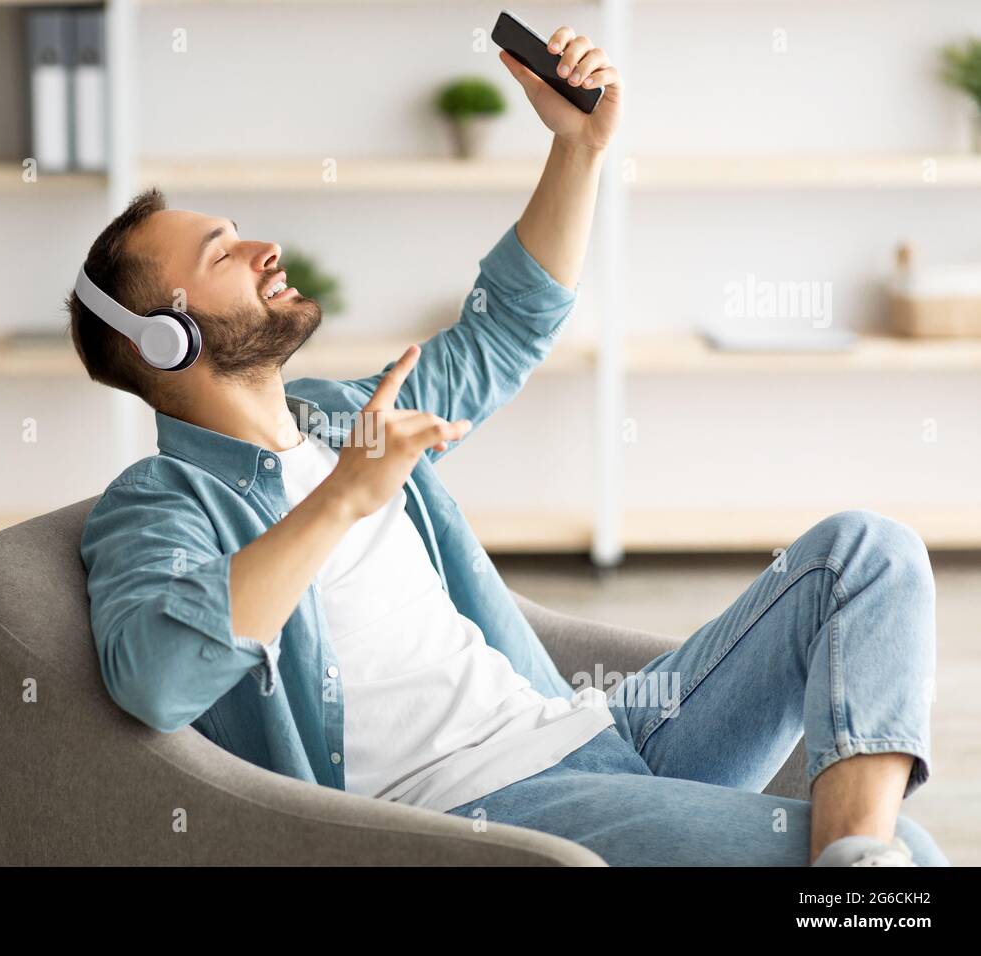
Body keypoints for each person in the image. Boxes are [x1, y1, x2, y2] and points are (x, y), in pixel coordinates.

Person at [67, 26, 946, 866]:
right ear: (162, 341)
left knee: (868, 552)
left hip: (594, 731)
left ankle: (851, 863)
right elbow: (157, 676)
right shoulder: (159, 501)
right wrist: (342, 500)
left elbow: (508, 329)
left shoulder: (343, 415)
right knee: (923, 863)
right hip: (477, 806)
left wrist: (579, 149)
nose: (265, 249)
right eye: (224, 253)